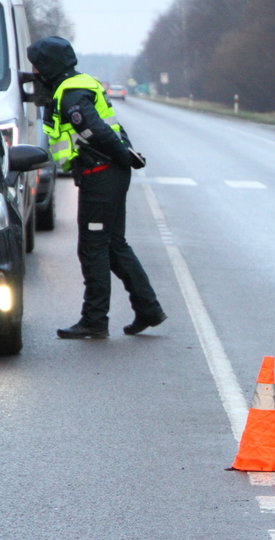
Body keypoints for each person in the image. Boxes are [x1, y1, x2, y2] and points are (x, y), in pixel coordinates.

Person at [27, 36, 165, 340]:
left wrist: (122, 157)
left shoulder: (71, 93)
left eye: (36, 64)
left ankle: (94, 320)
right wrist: (123, 157)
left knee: (92, 248)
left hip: (101, 175)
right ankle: (149, 309)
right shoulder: (78, 84)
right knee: (114, 246)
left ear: (48, 65)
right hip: (105, 174)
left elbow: (96, 130)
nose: (34, 70)